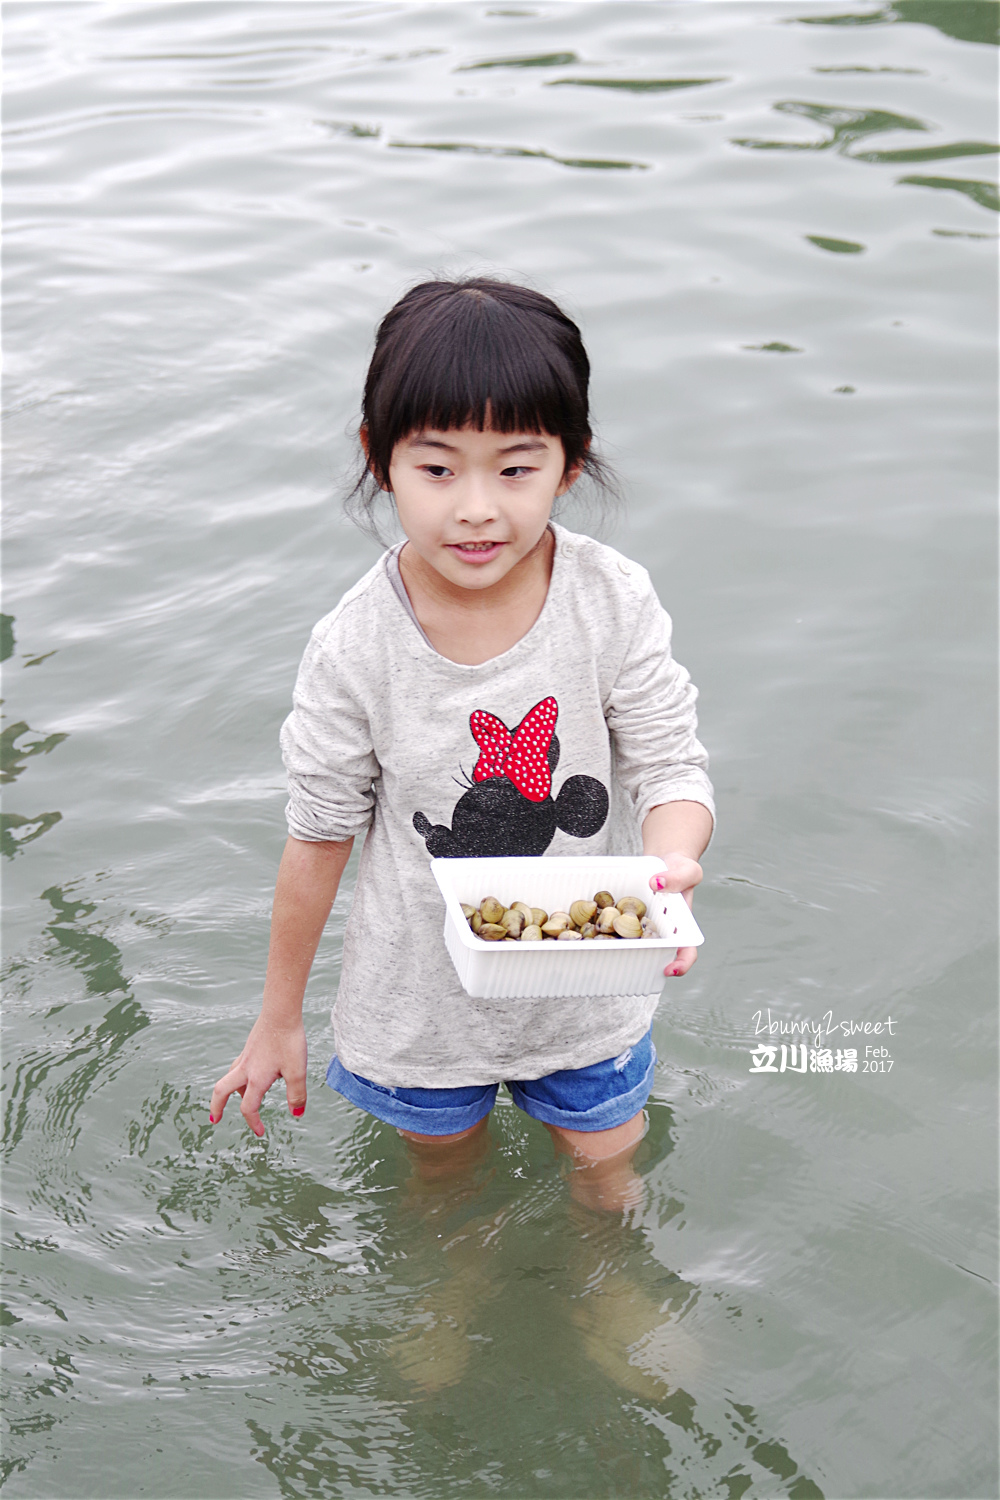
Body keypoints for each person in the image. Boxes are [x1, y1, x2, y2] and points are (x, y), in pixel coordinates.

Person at [209, 277, 714, 1215]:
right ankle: (447, 1296)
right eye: (438, 469)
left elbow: (668, 764)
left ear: (571, 463)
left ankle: (614, 1284)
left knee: (609, 1174)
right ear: (380, 461)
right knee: (441, 1189)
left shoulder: (611, 599)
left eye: (515, 468)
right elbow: (318, 836)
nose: (477, 509)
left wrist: (672, 863)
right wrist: (279, 1018)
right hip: (421, 1000)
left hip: (584, 984)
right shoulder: (354, 645)